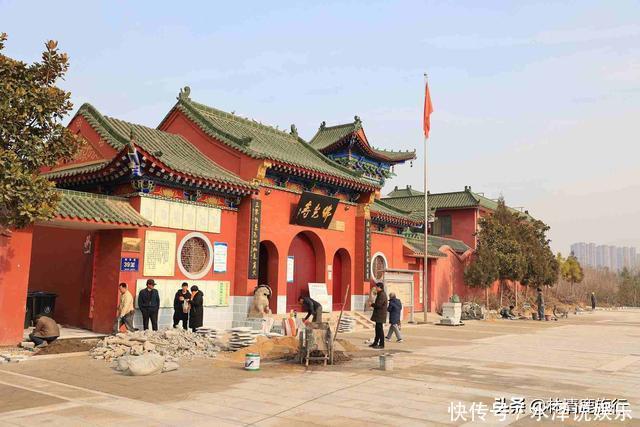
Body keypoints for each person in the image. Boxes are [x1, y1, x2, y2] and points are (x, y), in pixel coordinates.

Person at [370, 282, 388, 349]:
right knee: (377, 329)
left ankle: (381, 344)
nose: (375, 288)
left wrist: (372, 304)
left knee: (380, 330)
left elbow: (379, 305)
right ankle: (375, 342)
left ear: (379, 287)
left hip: (380, 315)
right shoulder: (380, 294)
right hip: (378, 315)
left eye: (376, 287)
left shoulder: (382, 295)